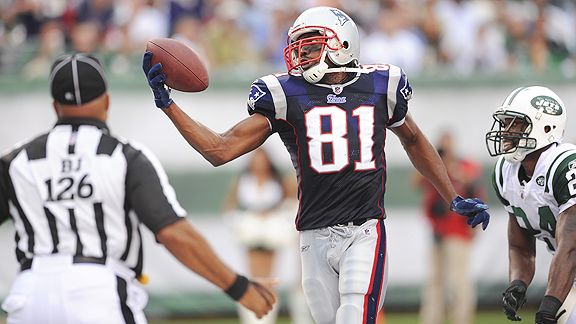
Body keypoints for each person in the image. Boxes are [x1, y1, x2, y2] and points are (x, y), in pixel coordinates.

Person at [142, 6, 490, 324]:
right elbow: (219, 149)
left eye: (310, 46)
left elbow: (413, 140)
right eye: (298, 46)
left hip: (364, 230)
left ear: (341, 45)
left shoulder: (381, 86)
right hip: (312, 235)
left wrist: (452, 196)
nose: (300, 54)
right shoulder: (283, 93)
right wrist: (168, 104)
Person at [0, 53, 275, 323]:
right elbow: (174, 233)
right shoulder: (124, 157)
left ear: (54, 105)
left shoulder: (16, 161)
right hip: (99, 290)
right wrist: (238, 286)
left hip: (30, 293)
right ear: (107, 101)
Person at [486, 85, 576, 324]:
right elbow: (520, 247)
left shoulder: (564, 166)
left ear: (546, 127)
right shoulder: (506, 173)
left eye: (516, 124)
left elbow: (570, 247)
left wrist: (549, 306)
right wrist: (518, 282)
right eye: (506, 124)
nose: (506, 131)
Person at [222, 147, 300, 324]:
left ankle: (267, 318)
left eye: (262, 159)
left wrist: (275, 217)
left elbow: (290, 201)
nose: (259, 163)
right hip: (250, 232)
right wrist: (239, 222)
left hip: (271, 232)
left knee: (269, 277)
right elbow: (230, 205)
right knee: (252, 277)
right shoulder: (242, 181)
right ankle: (251, 318)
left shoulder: (278, 181)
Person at [416, 132, 485, 324]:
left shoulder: (464, 165)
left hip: (459, 232)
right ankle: (431, 320)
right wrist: (433, 160)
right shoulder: (434, 166)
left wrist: (449, 166)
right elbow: (415, 181)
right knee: (434, 282)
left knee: (458, 282)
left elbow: (473, 182)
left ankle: (462, 319)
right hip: (438, 232)